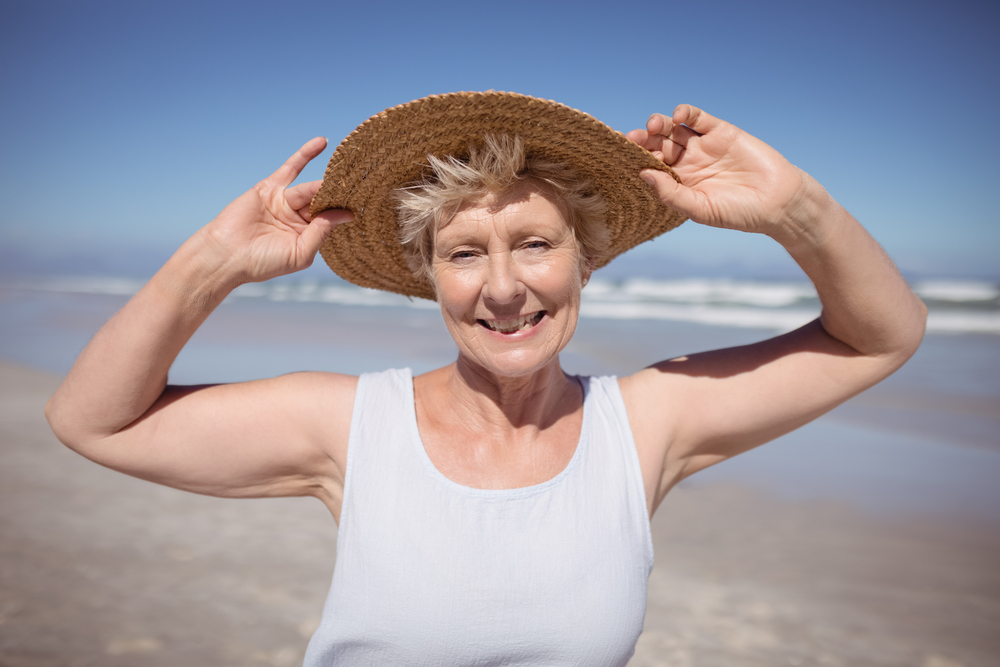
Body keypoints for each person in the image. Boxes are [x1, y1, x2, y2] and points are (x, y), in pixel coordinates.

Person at [45, 92, 926, 665]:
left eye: (536, 243)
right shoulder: (350, 425)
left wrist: (796, 209)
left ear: (586, 261)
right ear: (430, 275)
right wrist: (212, 264)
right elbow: (94, 421)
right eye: (464, 253)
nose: (503, 287)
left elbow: (880, 336)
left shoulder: (646, 424)